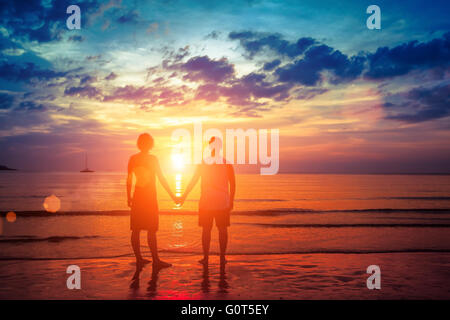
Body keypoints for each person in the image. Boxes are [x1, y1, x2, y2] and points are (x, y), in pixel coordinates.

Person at [178, 136, 235, 266]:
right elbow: (233, 184)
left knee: (207, 230)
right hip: (220, 202)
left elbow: (193, 181)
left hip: (208, 201)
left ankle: (206, 257)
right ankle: (222, 257)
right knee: (221, 230)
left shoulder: (204, 163)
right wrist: (231, 200)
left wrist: (183, 197)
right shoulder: (226, 163)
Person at [127, 133, 176, 273]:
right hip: (148, 197)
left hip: (138, 197)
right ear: (149, 144)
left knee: (136, 229)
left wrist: (128, 197)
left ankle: (140, 258)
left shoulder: (133, 158)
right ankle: (155, 260)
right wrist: (173, 195)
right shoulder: (152, 159)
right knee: (150, 229)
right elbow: (161, 178)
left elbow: (129, 180)